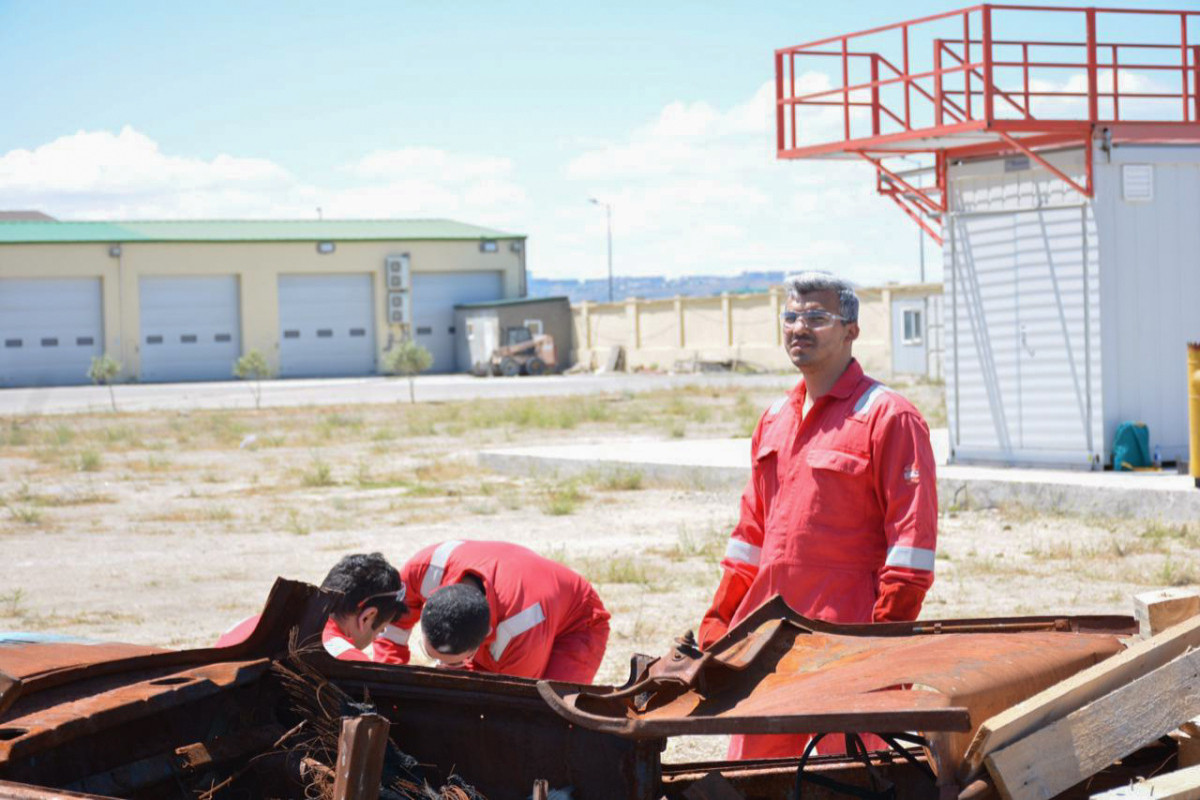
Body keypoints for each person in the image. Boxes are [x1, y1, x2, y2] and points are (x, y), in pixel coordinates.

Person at [697, 271, 938, 760]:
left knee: (840, 781)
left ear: (852, 330)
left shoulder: (888, 417)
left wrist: (882, 644)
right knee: (753, 781)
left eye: (817, 317)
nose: (798, 328)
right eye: (790, 316)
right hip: (765, 647)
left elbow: (911, 551)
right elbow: (749, 540)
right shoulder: (773, 419)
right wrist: (720, 623)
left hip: (846, 645)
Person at [376, 540, 610, 683]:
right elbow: (392, 629)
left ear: (486, 635)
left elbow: (506, 697)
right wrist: (391, 679)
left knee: (549, 710)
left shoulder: (520, 630)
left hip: (577, 623)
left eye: (455, 662)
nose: (441, 666)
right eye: (432, 656)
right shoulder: (423, 571)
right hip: (522, 589)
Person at [216, 552, 409, 663]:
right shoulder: (345, 660)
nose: (375, 639)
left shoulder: (245, 626)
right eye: (380, 631)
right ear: (367, 617)